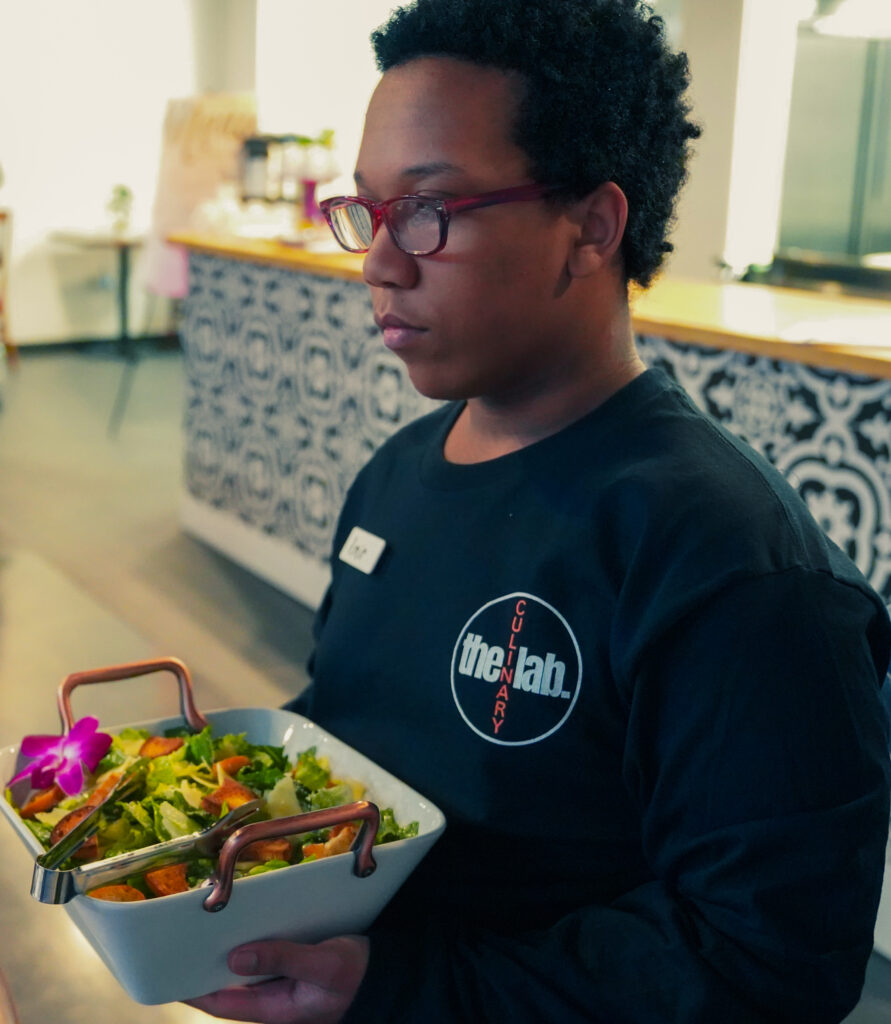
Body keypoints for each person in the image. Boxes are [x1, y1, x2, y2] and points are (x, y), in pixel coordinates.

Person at [186, 1, 891, 1021]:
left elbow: (764, 961)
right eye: (367, 212)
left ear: (591, 228)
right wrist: (228, 798)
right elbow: (365, 731)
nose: (381, 262)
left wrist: (397, 989)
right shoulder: (393, 477)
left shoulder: (736, 570)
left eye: (428, 211)